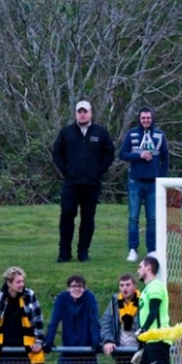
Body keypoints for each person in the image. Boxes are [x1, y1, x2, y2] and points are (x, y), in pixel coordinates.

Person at [52, 100, 115, 263]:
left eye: (85, 111)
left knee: (88, 218)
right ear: (75, 114)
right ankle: (64, 252)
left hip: (92, 184)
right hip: (71, 183)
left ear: (90, 113)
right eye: (79, 111)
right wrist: (66, 171)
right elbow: (57, 153)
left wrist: (98, 171)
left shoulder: (100, 132)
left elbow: (109, 153)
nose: (82, 114)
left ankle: (83, 252)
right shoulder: (66, 132)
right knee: (67, 215)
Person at [119, 107, 169, 262]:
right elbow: (122, 154)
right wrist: (139, 155)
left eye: (148, 118)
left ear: (152, 118)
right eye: (143, 118)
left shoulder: (159, 135)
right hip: (135, 182)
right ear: (139, 119)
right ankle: (133, 249)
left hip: (153, 184)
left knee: (152, 218)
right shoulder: (132, 134)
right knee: (133, 218)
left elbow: (165, 158)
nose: (146, 120)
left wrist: (160, 178)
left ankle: (151, 250)